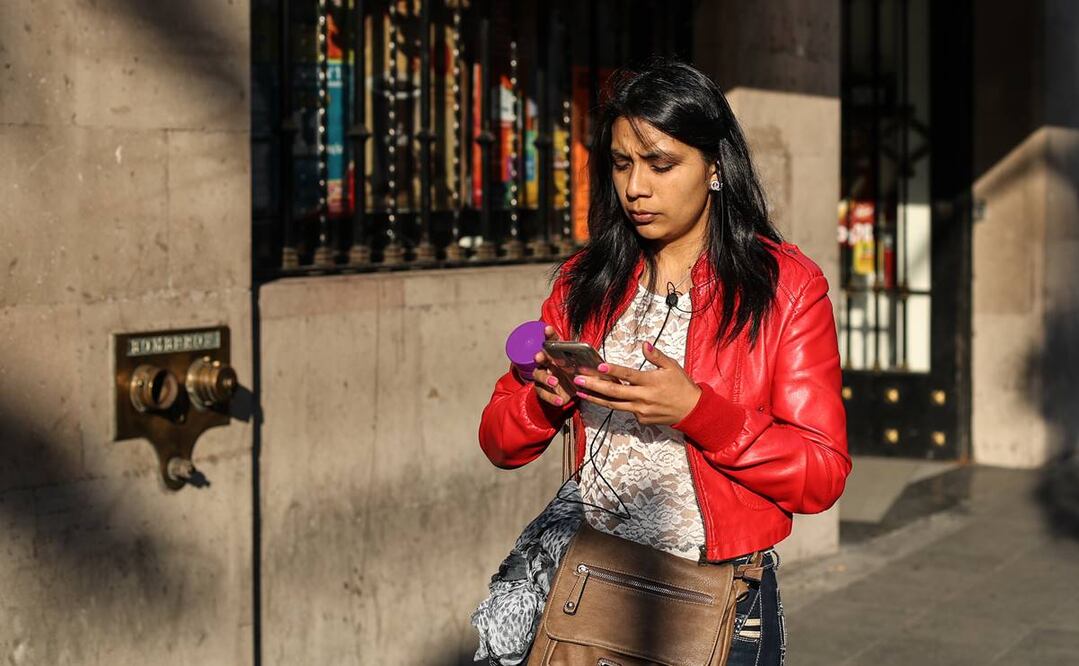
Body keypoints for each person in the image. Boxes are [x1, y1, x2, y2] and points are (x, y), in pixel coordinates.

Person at [477, 58, 850, 666]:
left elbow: (822, 472)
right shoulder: (585, 283)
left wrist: (700, 413)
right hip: (592, 587)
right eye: (622, 164)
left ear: (715, 168)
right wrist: (540, 400)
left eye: (661, 163)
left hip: (719, 595)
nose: (636, 188)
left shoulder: (784, 287)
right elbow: (498, 441)